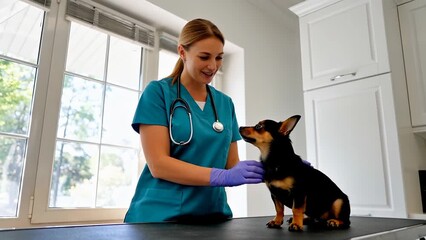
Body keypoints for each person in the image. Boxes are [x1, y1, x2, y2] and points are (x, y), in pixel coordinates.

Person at [124, 18, 264, 223]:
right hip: (161, 217)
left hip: (212, 215)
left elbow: (231, 166)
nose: (212, 66)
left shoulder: (225, 103)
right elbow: (159, 165)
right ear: (182, 52)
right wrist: (221, 177)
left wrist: (280, 167)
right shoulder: (158, 93)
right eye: (204, 57)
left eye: (219, 58)